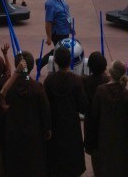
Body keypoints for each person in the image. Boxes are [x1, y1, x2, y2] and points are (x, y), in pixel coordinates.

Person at [4, 51, 51, 177]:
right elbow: (45, 110)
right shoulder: (37, 87)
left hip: (13, 132)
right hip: (33, 133)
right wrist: (47, 129)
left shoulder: (9, 88)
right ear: (31, 67)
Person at [85, 60, 128, 177]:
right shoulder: (127, 94)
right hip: (122, 136)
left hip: (104, 134)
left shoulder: (100, 90)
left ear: (110, 72)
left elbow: (94, 114)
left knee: (106, 165)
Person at [44, 46, 88, 177]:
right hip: (71, 125)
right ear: (70, 61)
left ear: (56, 62)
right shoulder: (77, 81)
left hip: (55, 123)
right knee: (72, 156)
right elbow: (83, 106)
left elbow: (46, 105)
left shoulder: (49, 81)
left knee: (56, 157)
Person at [44, 0, 73, 68]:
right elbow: (48, 22)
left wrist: (70, 27)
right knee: (60, 52)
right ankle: (41, 62)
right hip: (58, 33)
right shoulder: (50, 4)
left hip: (65, 30)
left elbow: (66, 12)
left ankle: (41, 62)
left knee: (60, 50)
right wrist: (49, 37)